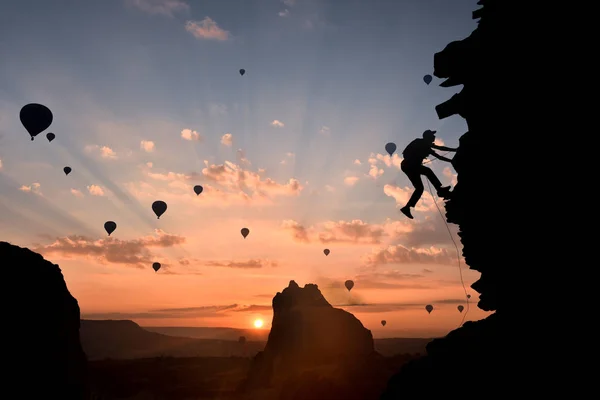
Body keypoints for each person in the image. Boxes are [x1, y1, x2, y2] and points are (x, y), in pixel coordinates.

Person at [399, 130, 458, 219]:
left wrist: (451, 158)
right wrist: (454, 150)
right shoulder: (419, 142)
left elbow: (439, 155)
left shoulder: (427, 147)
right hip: (409, 165)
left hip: (409, 166)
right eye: (432, 136)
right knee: (427, 171)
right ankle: (440, 190)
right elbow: (440, 149)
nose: (434, 137)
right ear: (428, 137)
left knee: (419, 188)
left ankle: (407, 208)